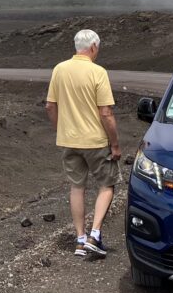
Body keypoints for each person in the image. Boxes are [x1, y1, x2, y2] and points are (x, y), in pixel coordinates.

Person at [45, 29, 122, 259]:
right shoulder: (98, 72)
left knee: (77, 187)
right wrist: (115, 144)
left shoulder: (60, 69)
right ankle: (94, 236)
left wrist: (62, 129)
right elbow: (106, 112)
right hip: (96, 141)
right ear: (94, 48)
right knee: (107, 185)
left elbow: (50, 106)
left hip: (69, 141)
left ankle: (79, 239)